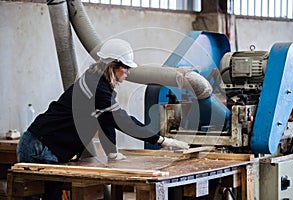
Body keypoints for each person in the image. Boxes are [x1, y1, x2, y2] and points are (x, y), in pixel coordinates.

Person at [17, 38, 189, 199]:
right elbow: (121, 120)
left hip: (43, 145)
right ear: (113, 66)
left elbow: (104, 119)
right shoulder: (96, 88)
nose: (129, 72)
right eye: (126, 67)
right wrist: (162, 140)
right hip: (40, 148)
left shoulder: (97, 83)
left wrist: (112, 152)